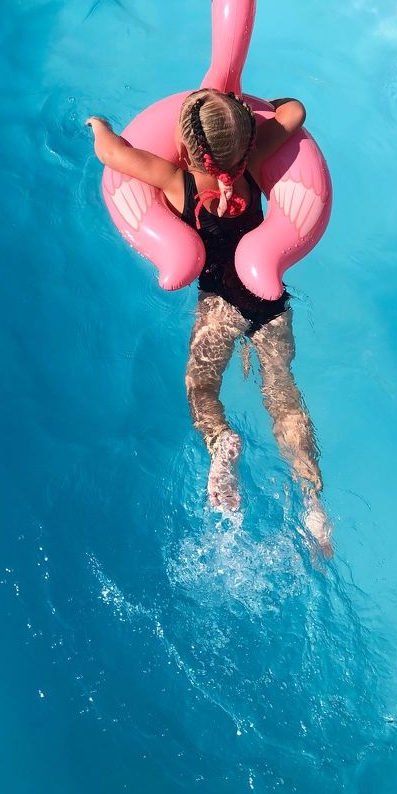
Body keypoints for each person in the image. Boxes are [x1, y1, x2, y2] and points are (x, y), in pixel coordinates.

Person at [87, 90, 332, 555]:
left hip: (219, 305)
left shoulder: (174, 180)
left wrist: (98, 124)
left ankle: (221, 441)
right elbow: (296, 111)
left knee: (201, 388)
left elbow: (111, 153)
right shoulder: (256, 162)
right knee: (282, 392)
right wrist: (269, 106)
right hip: (268, 304)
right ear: (248, 140)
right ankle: (312, 500)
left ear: (184, 146)